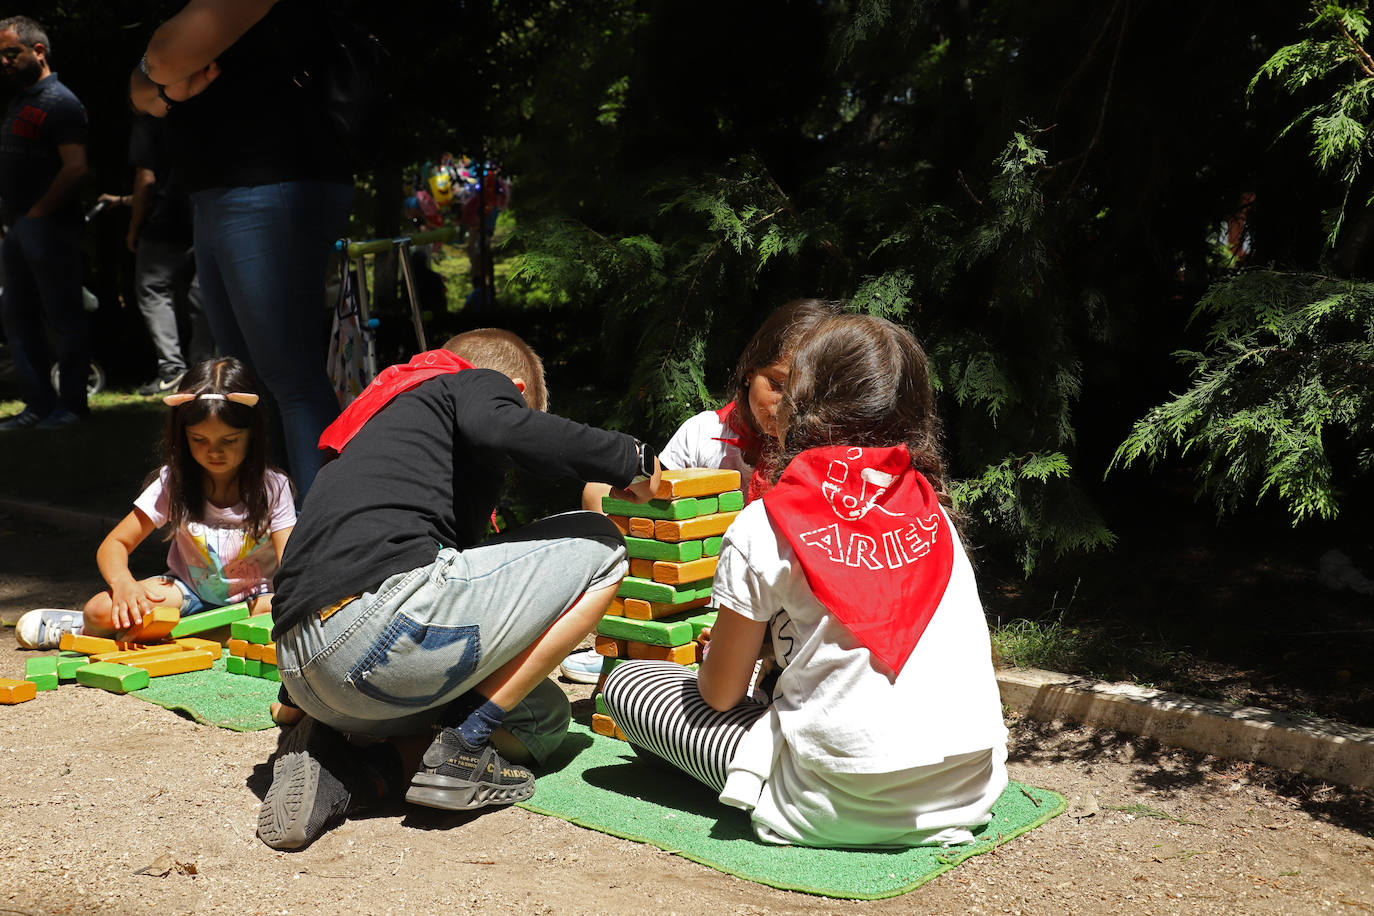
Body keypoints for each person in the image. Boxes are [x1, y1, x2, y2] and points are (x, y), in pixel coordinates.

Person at [601, 314, 1010, 849]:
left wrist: (722, 657)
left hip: (821, 804)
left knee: (628, 685)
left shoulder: (764, 523)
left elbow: (720, 696)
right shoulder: (937, 517)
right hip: (968, 793)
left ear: (801, 401)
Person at [258, 328, 661, 850]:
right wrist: (634, 458)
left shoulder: (379, 435)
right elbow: (501, 426)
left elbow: (330, 566)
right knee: (601, 543)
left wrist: (296, 703)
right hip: (374, 635)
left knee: (544, 714)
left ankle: (353, 770)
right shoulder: (462, 384)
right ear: (512, 390)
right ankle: (462, 746)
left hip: (303, 671)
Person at [130, 0, 353, 496]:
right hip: (222, 189)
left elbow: (162, 62)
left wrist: (159, 76)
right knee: (250, 385)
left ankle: (325, 550)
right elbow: (143, 94)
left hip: (269, 182)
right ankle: (273, 538)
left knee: (290, 379)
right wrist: (161, 81)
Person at [562, 297, 839, 683]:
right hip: (693, 591)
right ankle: (633, 641)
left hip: (771, 610)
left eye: (804, 393)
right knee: (598, 492)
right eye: (776, 384)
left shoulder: (831, 459)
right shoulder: (706, 433)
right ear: (748, 373)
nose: (785, 405)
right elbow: (652, 501)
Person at [13, 358, 294, 649]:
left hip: (253, 602)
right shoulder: (175, 481)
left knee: (274, 610)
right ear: (182, 436)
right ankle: (99, 627)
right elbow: (115, 545)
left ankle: (127, 634)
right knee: (99, 610)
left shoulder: (272, 487)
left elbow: (290, 564)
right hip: (187, 592)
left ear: (253, 434)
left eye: (230, 440)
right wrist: (124, 584)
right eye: (199, 439)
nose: (214, 452)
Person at [0, 16, 91, 431]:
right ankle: (36, 404)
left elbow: (75, 167)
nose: (4, 61)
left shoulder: (62, 102)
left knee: (63, 317)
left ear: (39, 51)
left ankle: (71, 406)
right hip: (16, 226)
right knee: (16, 317)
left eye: (11, 53)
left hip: (49, 227)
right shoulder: (20, 100)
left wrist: (38, 213)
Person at [97, 114, 212, 396]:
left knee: (152, 290)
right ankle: (204, 371)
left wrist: (133, 228)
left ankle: (172, 370)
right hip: (204, 215)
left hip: (164, 222)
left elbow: (146, 180)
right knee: (203, 293)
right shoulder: (198, 113)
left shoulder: (149, 120)